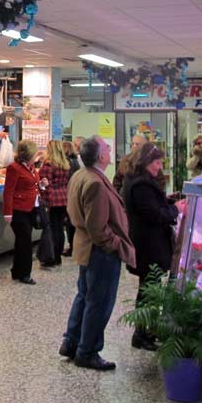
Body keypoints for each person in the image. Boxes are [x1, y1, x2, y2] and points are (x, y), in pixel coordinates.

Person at [61, 136, 136, 371]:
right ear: (100, 156)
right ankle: (88, 351)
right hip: (99, 251)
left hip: (85, 246)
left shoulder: (80, 175)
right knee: (99, 302)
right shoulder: (95, 182)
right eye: (106, 147)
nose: (110, 149)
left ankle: (71, 342)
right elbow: (98, 228)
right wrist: (116, 245)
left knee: (84, 296)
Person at [122, 142, 179, 351]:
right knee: (148, 290)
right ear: (146, 162)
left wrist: (169, 203)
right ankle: (141, 333)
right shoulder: (141, 185)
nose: (159, 167)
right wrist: (175, 211)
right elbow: (155, 215)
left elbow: (154, 207)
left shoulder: (135, 181)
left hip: (146, 244)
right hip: (149, 246)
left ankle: (147, 330)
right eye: (157, 162)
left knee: (148, 288)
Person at [3, 139, 43, 285]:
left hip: (31, 209)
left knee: (21, 242)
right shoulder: (14, 168)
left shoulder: (31, 168)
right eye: (34, 153)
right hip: (19, 210)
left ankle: (16, 271)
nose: (36, 156)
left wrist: (42, 185)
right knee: (26, 242)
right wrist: (8, 213)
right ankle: (25, 273)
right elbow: (8, 192)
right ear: (28, 154)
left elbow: (34, 185)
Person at [39, 140, 71, 267]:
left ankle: (51, 257)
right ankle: (58, 256)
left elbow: (45, 185)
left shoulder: (48, 166)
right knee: (59, 228)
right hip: (63, 197)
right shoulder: (65, 165)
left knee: (51, 228)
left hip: (52, 199)